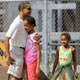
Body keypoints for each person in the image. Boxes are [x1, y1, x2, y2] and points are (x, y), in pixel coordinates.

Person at [4, 1, 41, 80]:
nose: (30, 10)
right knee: (16, 76)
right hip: (17, 51)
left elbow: (31, 34)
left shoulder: (24, 22)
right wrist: (8, 55)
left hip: (23, 52)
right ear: (22, 9)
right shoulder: (17, 22)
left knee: (20, 77)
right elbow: (6, 38)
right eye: (29, 9)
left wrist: (40, 36)